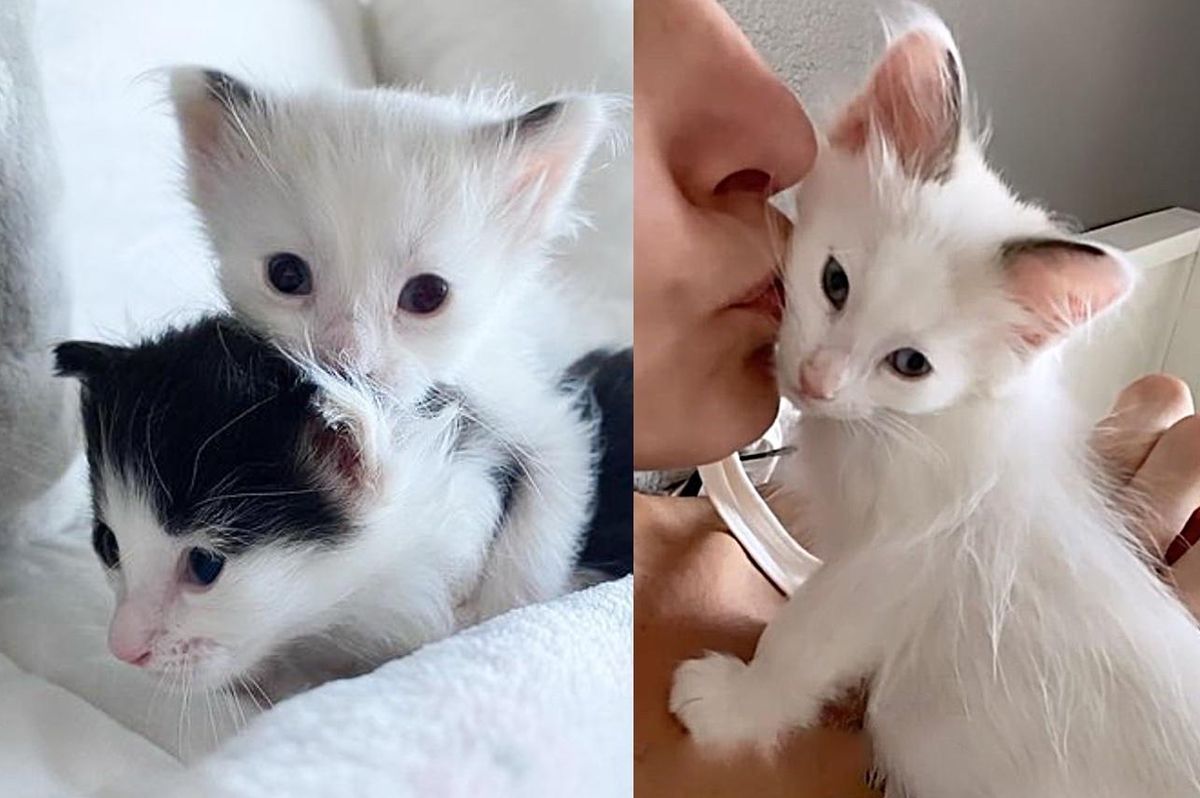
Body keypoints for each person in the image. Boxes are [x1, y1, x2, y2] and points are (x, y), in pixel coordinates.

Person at [632, 0, 1200, 794]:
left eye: (905, 364)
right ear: (858, 134)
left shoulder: (961, 456)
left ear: (1022, 347)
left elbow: (867, 589)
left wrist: (761, 696)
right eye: (834, 284)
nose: (822, 378)